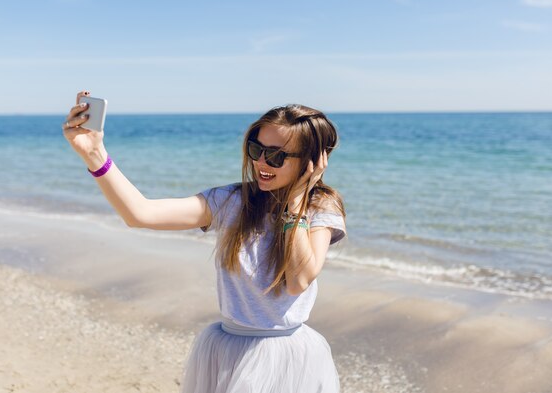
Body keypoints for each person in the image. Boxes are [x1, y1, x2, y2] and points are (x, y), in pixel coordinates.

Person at [62, 90, 347, 392]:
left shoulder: (321, 208)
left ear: (311, 162)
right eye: (256, 149)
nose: (261, 162)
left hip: (287, 356)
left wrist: (296, 201)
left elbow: (298, 279)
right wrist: (94, 154)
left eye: (276, 156)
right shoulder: (232, 201)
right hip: (226, 351)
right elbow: (140, 213)